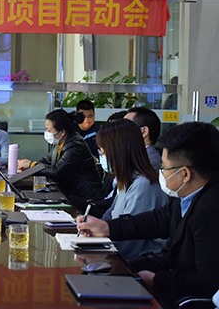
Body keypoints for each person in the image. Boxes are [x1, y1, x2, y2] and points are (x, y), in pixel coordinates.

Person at [77, 122, 219, 307]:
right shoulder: (186, 194)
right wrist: (107, 228)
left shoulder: (210, 209)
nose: (161, 173)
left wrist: (156, 280)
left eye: (164, 168)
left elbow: (207, 281)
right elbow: (159, 219)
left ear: (185, 174)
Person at [96, 119, 167, 259]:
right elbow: (110, 216)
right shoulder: (127, 180)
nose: (102, 157)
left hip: (136, 263)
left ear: (118, 152)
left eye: (103, 153)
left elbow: (127, 244)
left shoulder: (142, 186)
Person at [17, 109, 101, 200]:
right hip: (70, 191)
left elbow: (56, 171)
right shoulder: (60, 141)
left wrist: (31, 164)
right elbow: (47, 160)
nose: (47, 133)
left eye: (49, 130)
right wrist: (28, 166)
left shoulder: (75, 146)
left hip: (84, 196)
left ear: (62, 132)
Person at [124, 107, 162, 172]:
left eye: (125, 128)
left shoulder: (150, 160)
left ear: (144, 131)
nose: (120, 133)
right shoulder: (137, 156)